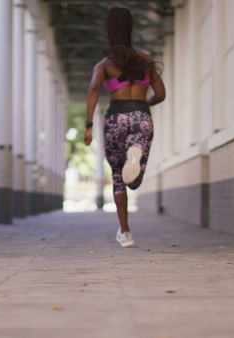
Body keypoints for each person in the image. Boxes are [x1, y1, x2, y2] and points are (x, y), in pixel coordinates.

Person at [84, 7, 166, 248]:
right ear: (131, 28)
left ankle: (125, 232)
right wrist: (144, 105)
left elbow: (92, 91)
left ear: (109, 31)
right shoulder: (145, 59)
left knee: (120, 179)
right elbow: (161, 94)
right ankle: (135, 151)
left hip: (115, 119)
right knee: (136, 181)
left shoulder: (104, 65)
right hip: (141, 115)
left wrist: (88, 126)